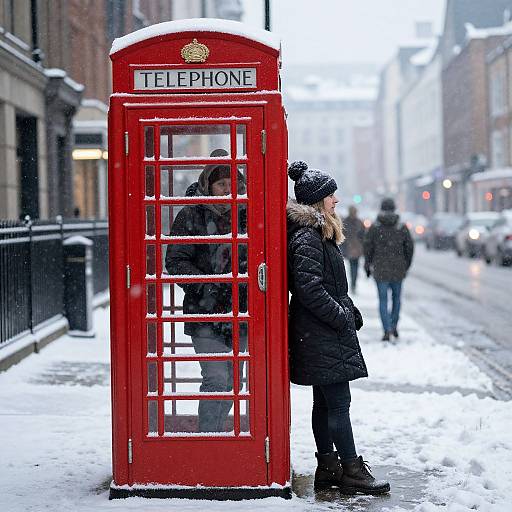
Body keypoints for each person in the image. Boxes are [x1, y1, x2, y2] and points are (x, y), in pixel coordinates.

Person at [287, 160, 390, 495]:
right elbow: (309, 288)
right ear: (318, 201)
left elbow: (328, 286)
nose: (337, 200)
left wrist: (350, 308)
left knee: (325, 403)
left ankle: (328, 466)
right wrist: (340, 315)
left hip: (318, 331)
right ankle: (352, 470)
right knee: (338, 403)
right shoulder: (307, 237)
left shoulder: (317, 234)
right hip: (321, 332)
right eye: (332, 195)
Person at [165, 149, 247, 433]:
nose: (227, 190)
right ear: (208, 184)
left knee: (235, 383)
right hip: (204, 311)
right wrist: (209, 285)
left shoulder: (247, 213)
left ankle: (214, 437)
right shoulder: (191, 215)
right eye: (221, 184)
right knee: (216, 378)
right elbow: (175, 261)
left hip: (239, 312)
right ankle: (208, 436)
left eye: (232, 184)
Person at [363, 198, 414, 341]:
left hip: (380, 270)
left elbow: (368, 248)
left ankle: (386, 329)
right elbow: (409, 248)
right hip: (398, 269)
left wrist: (368, 265)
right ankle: (394, 325)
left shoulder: (375, 227)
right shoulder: (401, 227)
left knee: (383, 300)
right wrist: (406, 265)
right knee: (397, 299)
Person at [341, 205, 365, 293]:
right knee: (354, 268)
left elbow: (342, 237)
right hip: (355, 249)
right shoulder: (359, 222)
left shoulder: (345, 222)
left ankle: (352, 285)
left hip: (351, 248)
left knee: (352, 268)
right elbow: (363, 237)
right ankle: (353, 285)